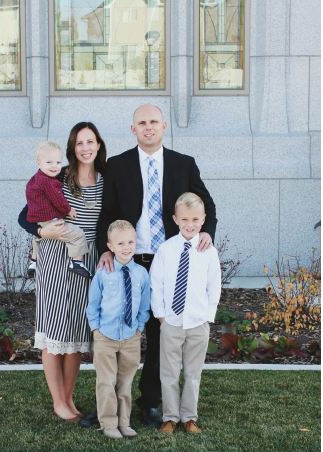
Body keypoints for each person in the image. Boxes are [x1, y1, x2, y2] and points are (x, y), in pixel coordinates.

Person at [95, 104, 217, 427]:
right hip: (129, 262)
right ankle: (112, 401)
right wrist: (103, 251)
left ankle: (151, 401)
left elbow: (209, 207)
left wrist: (206, 235)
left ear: (163, 126)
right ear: (132, 129)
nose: (148, 127)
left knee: (160, 331)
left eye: (153, 122)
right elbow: (106, 214)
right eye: (141, 123)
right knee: (121, 331)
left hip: (170, 263)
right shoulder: (117, 166)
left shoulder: (183, 164)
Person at [18, 122, 106, 421]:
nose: (85, 148)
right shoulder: (58, 176)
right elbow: (25, 215)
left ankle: (68, 399)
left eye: (90, 141)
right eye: (79, 143)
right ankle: (58, 401)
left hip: (86, 259)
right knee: (56, 328)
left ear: (98, 145)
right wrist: (43, 234)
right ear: (72, 147)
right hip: (55, 256)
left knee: (76, 331)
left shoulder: (107, 180)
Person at [150, 192, 221, 434]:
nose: (190, 225)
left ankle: (189, 417)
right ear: (175, 219)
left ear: (203, 220)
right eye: (184, 220)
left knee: (193, 373)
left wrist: (208, 315)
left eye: (195, 220)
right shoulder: (166, 249)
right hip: (171, 320)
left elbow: (215, 285)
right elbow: (156, 284)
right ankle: (170, 417)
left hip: (198, 321)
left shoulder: (208, 251)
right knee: (168, 372)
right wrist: (161, 315)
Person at [86, 220, 150, 439]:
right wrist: (96, 329)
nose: (126, 247)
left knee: (125, 383)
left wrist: (139, 328)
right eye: (120, 243)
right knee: (106, 381)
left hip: (131, 336)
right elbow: (92, 304)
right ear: (110, 246)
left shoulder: (141, 273)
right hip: (106, 335)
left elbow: (144, 305)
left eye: (131, 241)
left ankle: (124, 422)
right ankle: (108, 424)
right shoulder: (104, 273)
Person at [26, 141, 90, 278]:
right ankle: (77, 262)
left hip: (40, 220)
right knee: (77, 234)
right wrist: (68, 210)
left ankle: (33, 261)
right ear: (38, 162)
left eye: (58, 162)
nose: (55, 166)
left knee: (38, 238)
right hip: (51, 220)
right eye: (49, 162)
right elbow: (57, 199)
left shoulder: (36, 179)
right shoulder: (47, 181)